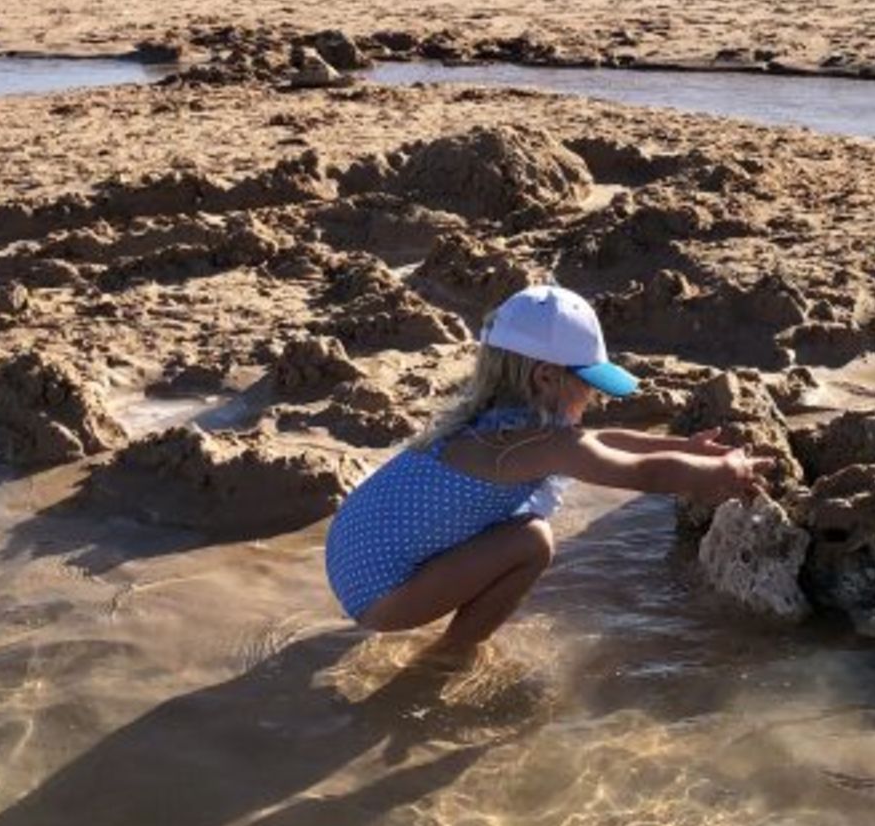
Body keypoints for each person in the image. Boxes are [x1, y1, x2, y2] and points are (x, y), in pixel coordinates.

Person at [324, 283, 772, 663]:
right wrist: (721, 472)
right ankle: (448, 657)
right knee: (531, 541)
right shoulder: (538, 444)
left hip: (350, 563)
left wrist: (683, 448)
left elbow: (603, 440)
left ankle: (441, 642)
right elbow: (645, 475)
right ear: (545, 378)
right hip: (381, 600)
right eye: (589, 384)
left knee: (520, 530)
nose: (594, 398)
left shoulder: (489, 424)